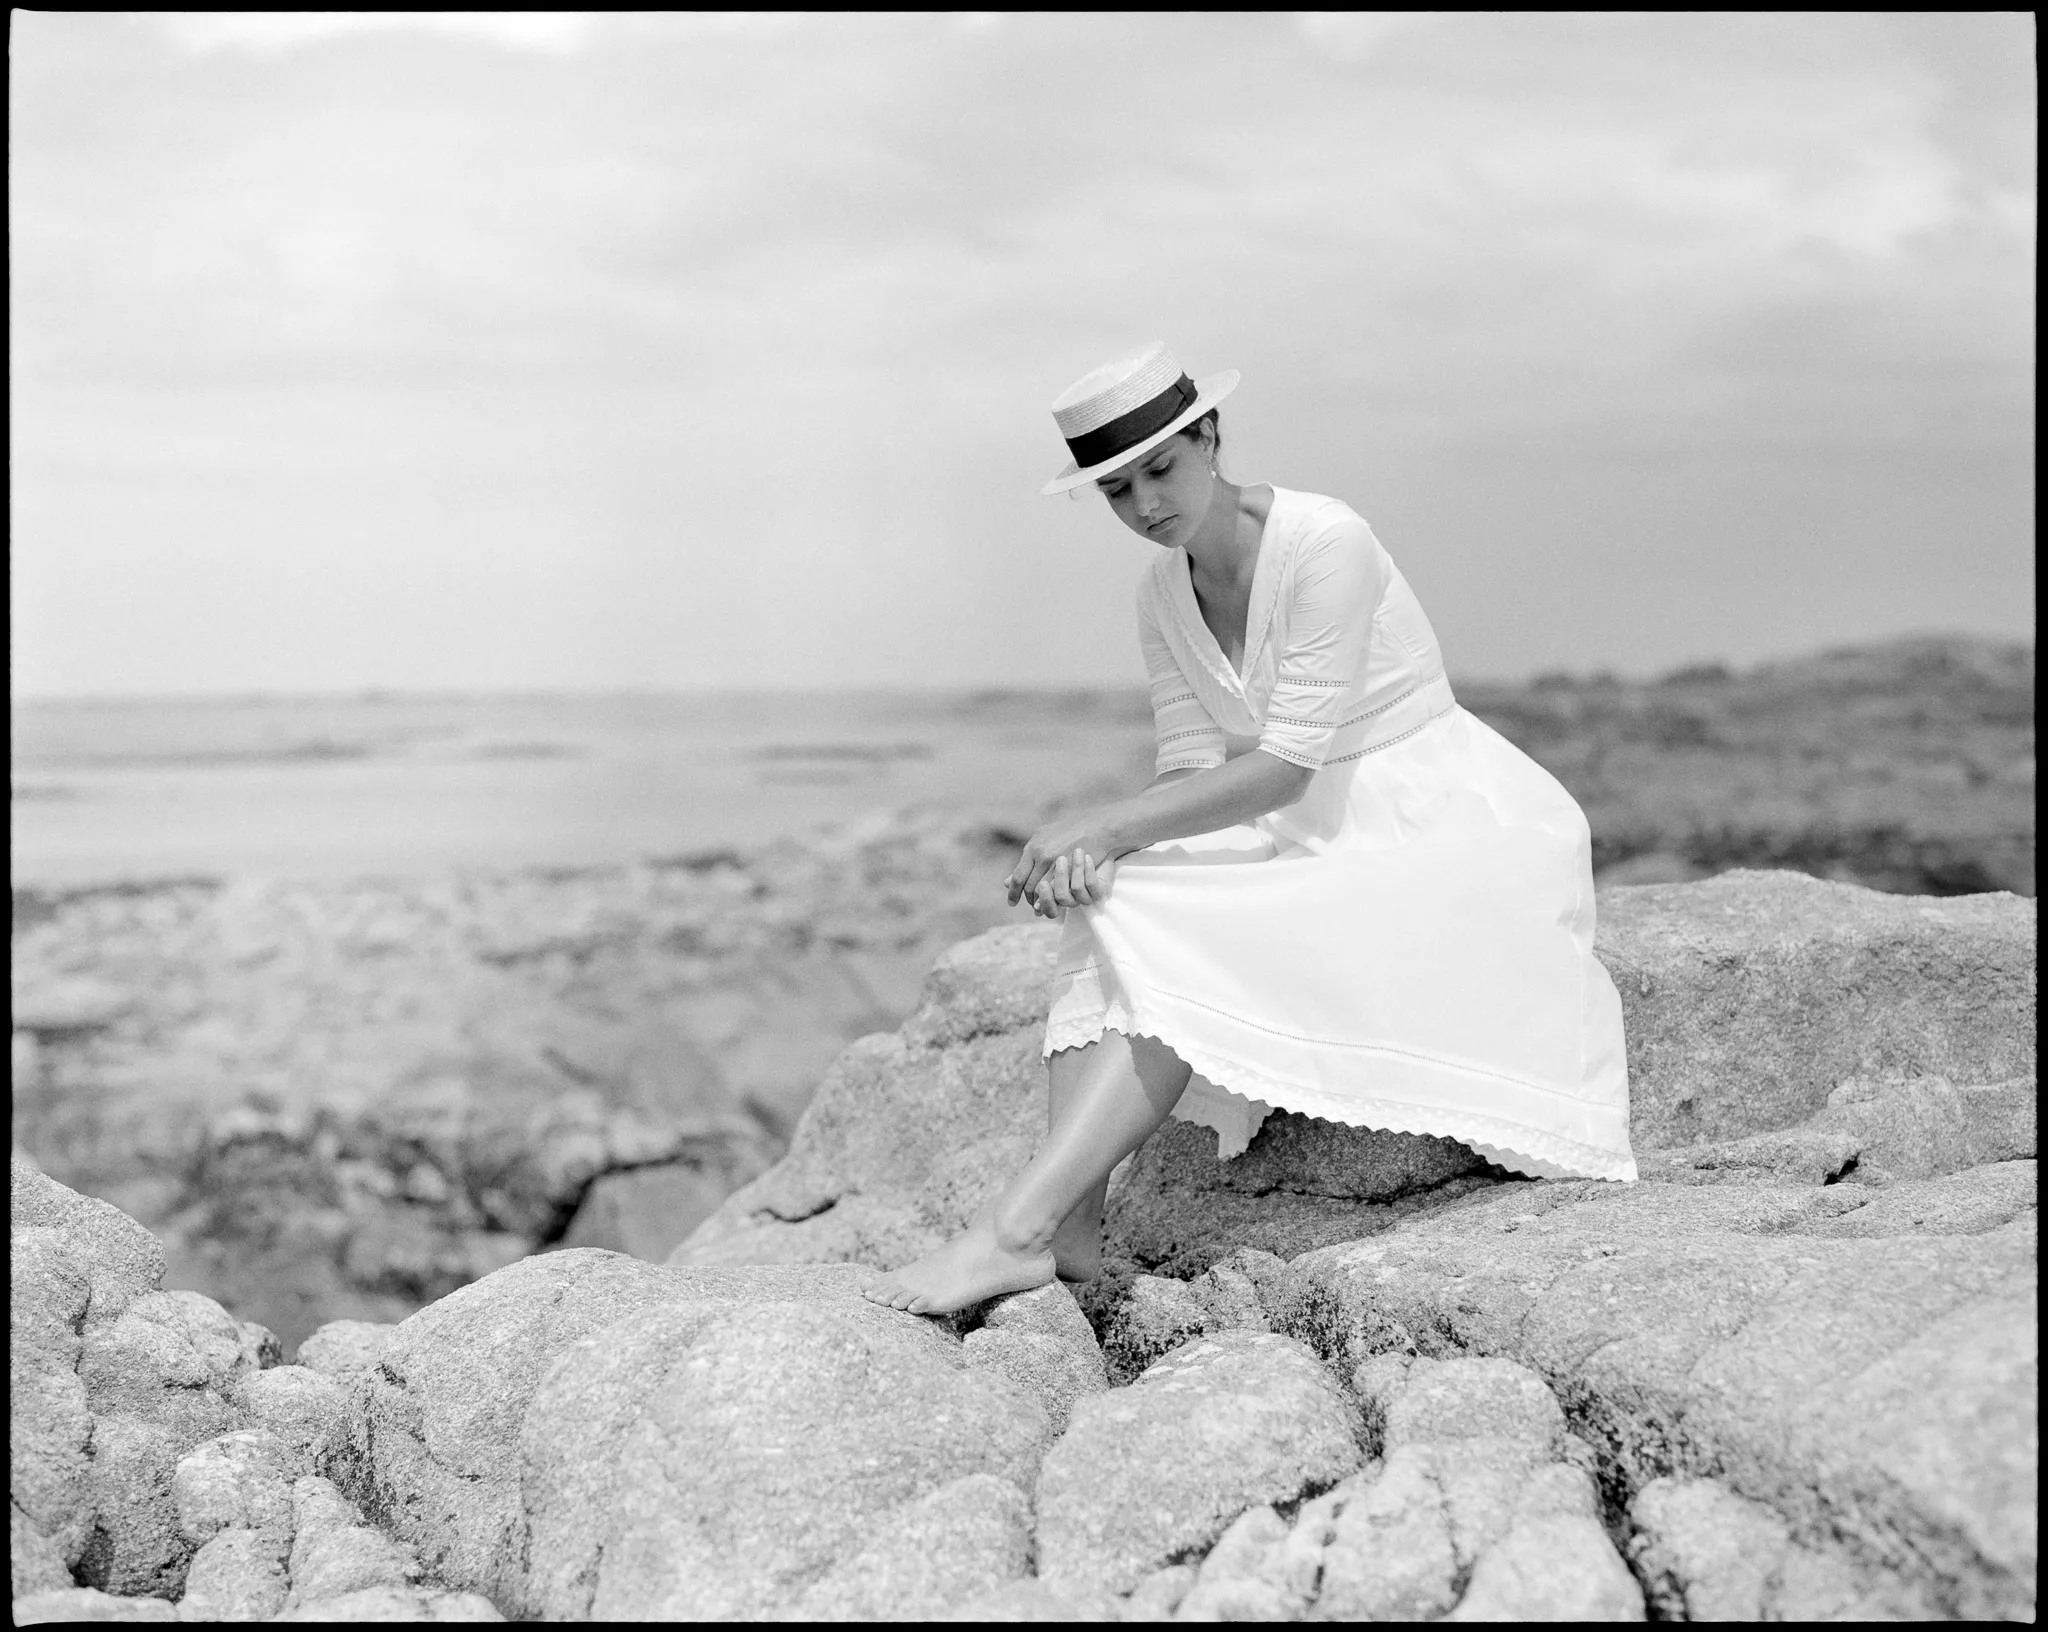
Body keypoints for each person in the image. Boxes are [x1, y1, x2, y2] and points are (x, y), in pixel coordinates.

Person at [864, 342, 1635, 1316]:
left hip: (1434, 824)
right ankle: (1067, 1225)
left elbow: (1285, 766)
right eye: (1116, 490)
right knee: (1115, 897)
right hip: (1305, 826)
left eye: (1160, 469)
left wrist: (1103, 823)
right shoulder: (1161, 594)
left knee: (1187, 923)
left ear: (1210, 437)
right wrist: (1107, 852)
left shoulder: (1325, 542)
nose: (1145, 504)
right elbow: (1190, 767)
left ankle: (1011, 1231)